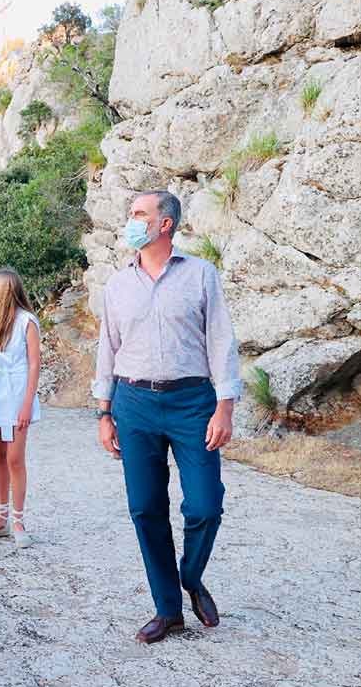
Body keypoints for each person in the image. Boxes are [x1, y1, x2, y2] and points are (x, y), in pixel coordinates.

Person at [93, 190, 241, 644]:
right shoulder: (117, 285)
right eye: (131, 213)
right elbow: (107, 349)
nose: (131, 220)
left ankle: (190, 577)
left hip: (192, 401)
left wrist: (225, 405)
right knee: (145, 508)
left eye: (139, 213)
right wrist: (103, 411)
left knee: (204, 505)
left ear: (165, 224)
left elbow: (221, 341)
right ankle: (168, 610)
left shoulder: (200, 274)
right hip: (133, 404)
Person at [0, 268, 41, 549]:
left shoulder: (27, 322)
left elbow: (35, 363)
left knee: (15, 457)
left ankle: (18, 520)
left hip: (16, 393)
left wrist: (26, 403)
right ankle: (0, 518)